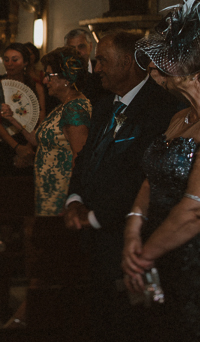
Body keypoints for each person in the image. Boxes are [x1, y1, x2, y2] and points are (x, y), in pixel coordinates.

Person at [65, 30, 182, 342]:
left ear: (128, 62)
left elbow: (144, 174)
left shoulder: (162, 108)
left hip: (128, 236)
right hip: (92, 239)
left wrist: (95, 216)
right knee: (97, 319)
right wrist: (74, 199)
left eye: (103, 61)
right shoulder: (104, 105)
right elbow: (85, 158)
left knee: (128, 325)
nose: (96, 69)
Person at [122, 0, 200, 340]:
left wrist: (142, 257)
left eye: (169, 56)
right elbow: (150, 178)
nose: (155, 67)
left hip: (190, 255)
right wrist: (132, 229)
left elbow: (194, 212)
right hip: (157, 246)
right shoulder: (179, 117)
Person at [2, 46, 91, 215]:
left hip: (62, 192)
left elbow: (79, 157)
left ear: (66, 78)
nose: (44, 80)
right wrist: (13, 119)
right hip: (49, 189)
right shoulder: (63, 106)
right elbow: (38, 140)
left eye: (49, 75)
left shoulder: (75, 109)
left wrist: (73, 198)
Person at [0, 43, 46, 177]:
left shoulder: (37, 87)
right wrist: (17, 147)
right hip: (5, 142)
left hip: (32, 144)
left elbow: (41, 120)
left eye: (15, 60)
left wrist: (29, 148)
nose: (10, 64)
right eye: (6, 59)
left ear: (25, 62)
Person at [64, 28, 109, 105]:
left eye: (81, 46)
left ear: (90, 46)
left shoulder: (102, 70)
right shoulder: (62, 75)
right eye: (72, 48)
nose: (77, 52)